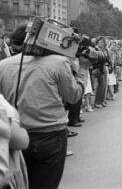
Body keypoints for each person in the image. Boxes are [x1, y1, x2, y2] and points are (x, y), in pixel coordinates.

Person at [0, 26, 91, 189]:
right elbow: (74, 96)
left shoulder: (3, 65)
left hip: (16, 137)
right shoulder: (59, 63)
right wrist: (83, 69)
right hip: (51, 137)